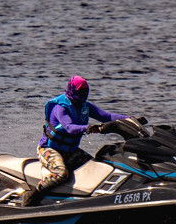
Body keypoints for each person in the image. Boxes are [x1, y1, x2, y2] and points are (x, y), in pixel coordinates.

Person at [20, 76, 132, 206]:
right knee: (60, 174)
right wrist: (89, 128)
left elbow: (106, 116)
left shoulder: (85, 106)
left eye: (85, 90)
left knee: (97, 167)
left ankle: (88, 197)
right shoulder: (60, 107)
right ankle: (33, 194)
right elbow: (69, 128)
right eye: (81, 90)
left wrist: (128, 119)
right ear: (72, 89)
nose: (84, 93)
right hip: (49, 149)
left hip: (70, 151)